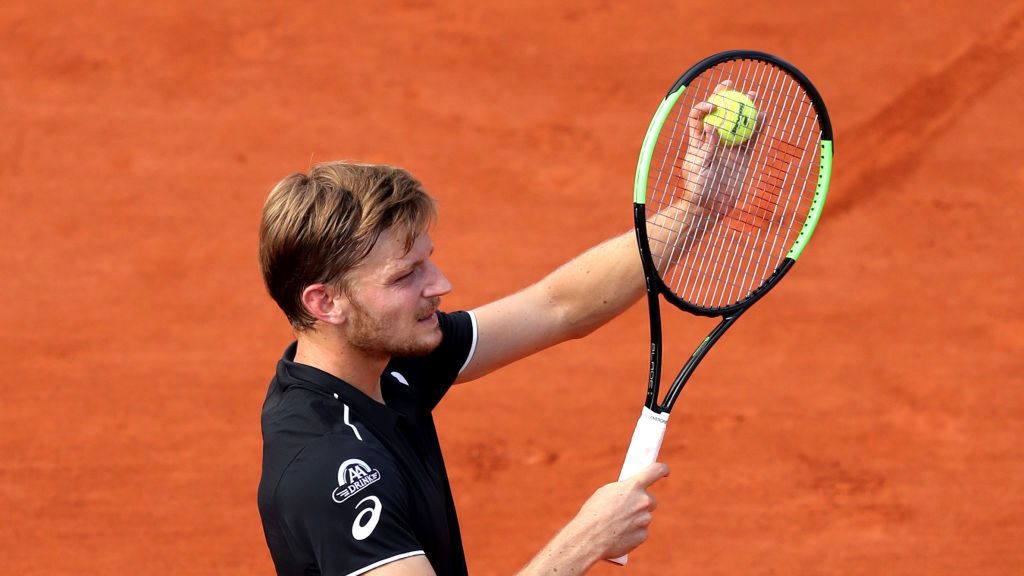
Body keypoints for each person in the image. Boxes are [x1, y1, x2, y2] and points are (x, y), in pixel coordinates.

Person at [257, 85, 751, 575]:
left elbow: (560, 306)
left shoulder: (381, 360)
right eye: (405, 275)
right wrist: (584, 541)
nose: (441, 284)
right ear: (325, 303)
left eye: (428, 262)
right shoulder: (330, 471)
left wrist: (698, 208)